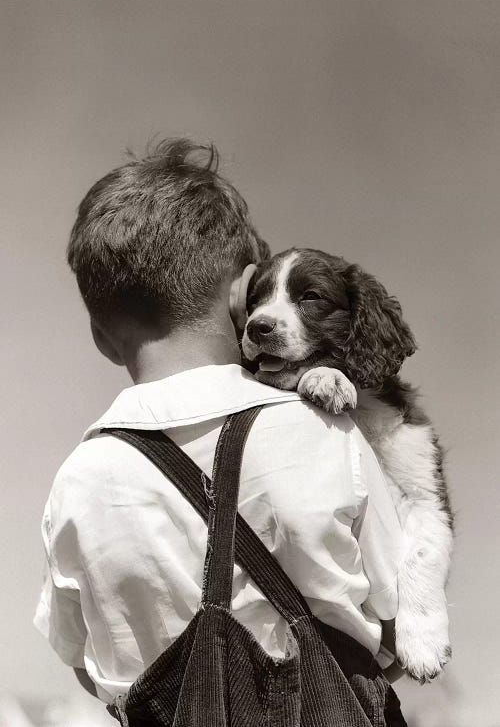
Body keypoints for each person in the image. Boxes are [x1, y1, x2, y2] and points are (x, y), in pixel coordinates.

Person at [34, 138, 403, 704]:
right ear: (244, 294)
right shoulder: (326, 431)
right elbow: (400, 629)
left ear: (101, 339)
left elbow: (84, 664)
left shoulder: (76, 482)